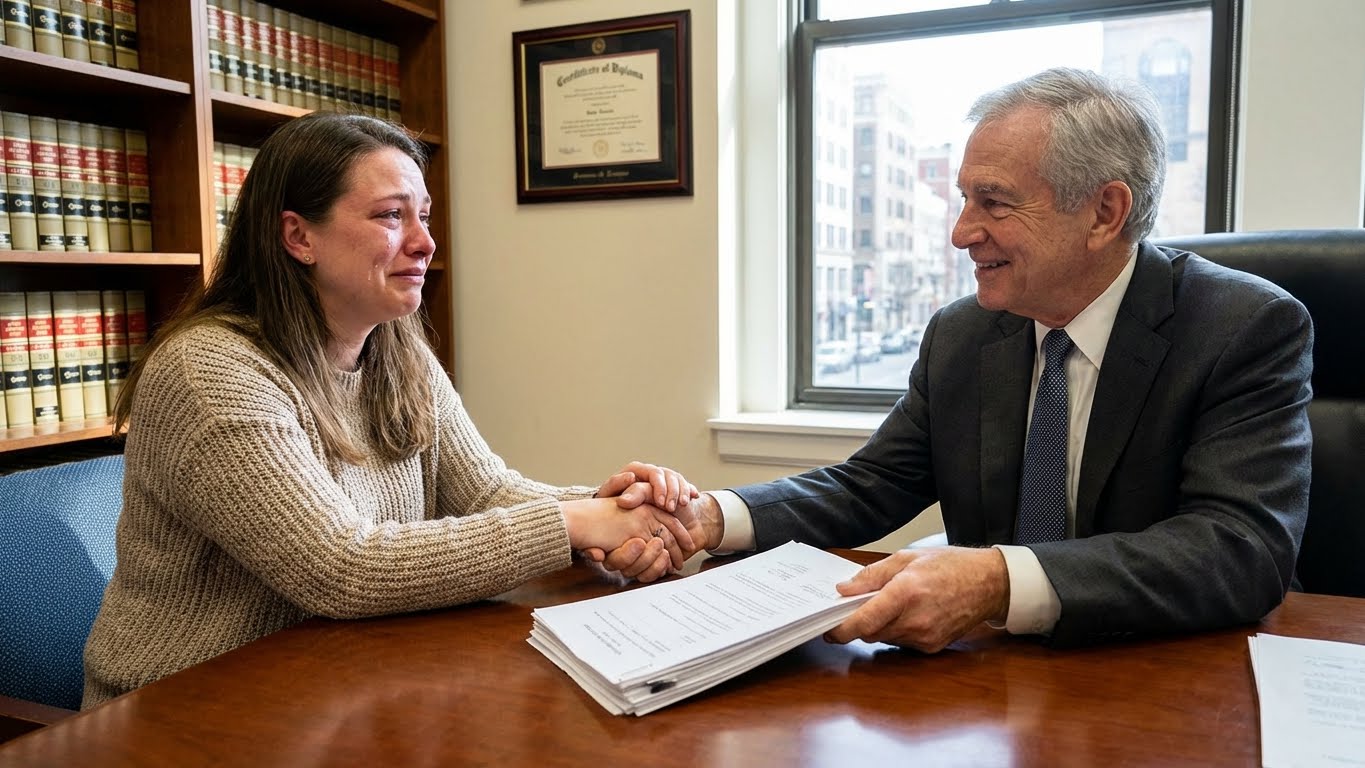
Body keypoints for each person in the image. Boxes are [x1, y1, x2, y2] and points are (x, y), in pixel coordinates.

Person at [597, 67, 1313, 651]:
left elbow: (1240, 549)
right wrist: (708, 516)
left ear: (1103, 213)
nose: (961, 233)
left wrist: (999, 581)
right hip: (986, 680)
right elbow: (871, 485)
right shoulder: (963, 333)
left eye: (992, 203)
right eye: (963, 199)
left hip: (1170, 674)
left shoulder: (1242, 326)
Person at [82, 112, 697, 708]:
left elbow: (486, 493)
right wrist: (575, 522)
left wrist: (616, 508)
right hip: (186, 711)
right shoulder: (211, 371)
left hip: (333, 686)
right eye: (390, 216)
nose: (426, 242)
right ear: (298, 237)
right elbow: (340, 567)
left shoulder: (397, 351)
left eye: (423, 217)